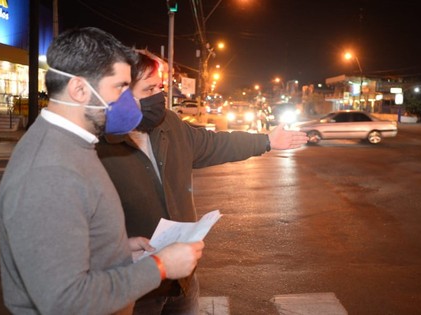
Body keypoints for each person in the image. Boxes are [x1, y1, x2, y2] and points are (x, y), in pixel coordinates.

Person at [0, 28, 204, 315]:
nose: (130, 102)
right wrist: (160, 266)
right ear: (79, 90)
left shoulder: (72, 145)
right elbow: (65, 301)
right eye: (119, 87)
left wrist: (116, 249)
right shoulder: (49, 172)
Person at [96, 50, 309, 314]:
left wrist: (266, 141)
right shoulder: (96, 147)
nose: (158, 97)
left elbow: (214, 143)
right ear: (122, 93)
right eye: (149, 89)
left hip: (182, 280)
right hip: (135, 286)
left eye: (160, 87)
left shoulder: (169, 125)